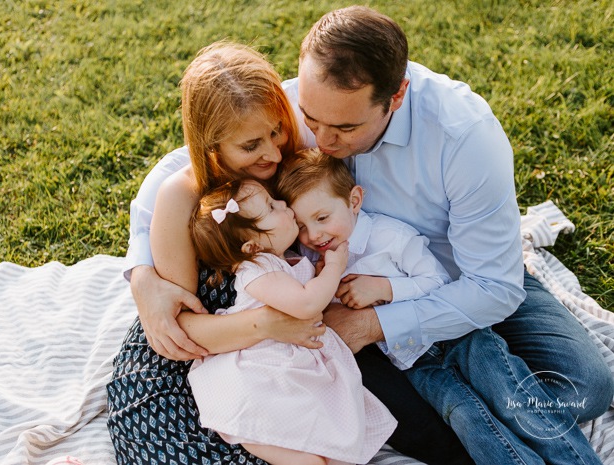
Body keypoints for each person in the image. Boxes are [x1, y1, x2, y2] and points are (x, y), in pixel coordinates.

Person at [281, 5, 613, 462]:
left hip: (463, 276)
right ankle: (469, 417)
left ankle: (475, 415)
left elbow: (493, 286)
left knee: (586, 388)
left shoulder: (464, 135)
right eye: (312, 120)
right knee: (431, 422)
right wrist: (145, 274)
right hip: (352, 291)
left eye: (345, 128)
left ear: (396, 96)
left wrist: (371, 325)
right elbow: (185, 165)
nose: (322, 141)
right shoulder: (310, 100)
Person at [277, 148, 603, 465]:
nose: (314, 234)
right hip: (414, 361)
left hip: (460, 336)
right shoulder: (316, 260)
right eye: (302, 227)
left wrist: (386, 288)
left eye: (322, 218)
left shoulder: (389, 236)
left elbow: (437, 282)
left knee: (514, 399)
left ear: (354, 201)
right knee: (469, 420)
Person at [106, 42, 328, 465]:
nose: (273, 152)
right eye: (250, 146)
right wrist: (267, 324)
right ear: (212, 147)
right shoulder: (182, 198)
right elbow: (182, 328)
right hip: (183, 372)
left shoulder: (291, 165)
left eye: (276, 130)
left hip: (262, 366)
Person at [186, 178, 396, 465]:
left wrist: (321, 275)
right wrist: (334, 268)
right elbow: (307, 303)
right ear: (252, 246)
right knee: (296, 443)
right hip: (264, 368)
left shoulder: (284, 261)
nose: (285, 206)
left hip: (296, 364)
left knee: (335, 437)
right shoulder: (256, 268)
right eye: (272, 207)